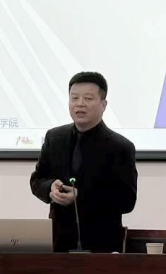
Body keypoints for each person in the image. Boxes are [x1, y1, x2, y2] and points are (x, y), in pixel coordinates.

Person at [29, 72, 137, 252]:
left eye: (88, 98)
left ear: (103, 105)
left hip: (102, 244)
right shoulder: (54, 138)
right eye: (74, 98)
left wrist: (81, 197)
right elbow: (37, 180)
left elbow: (127, 200)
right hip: (58, 242)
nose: (80, 104)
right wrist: (50, 187)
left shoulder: (120, 147)